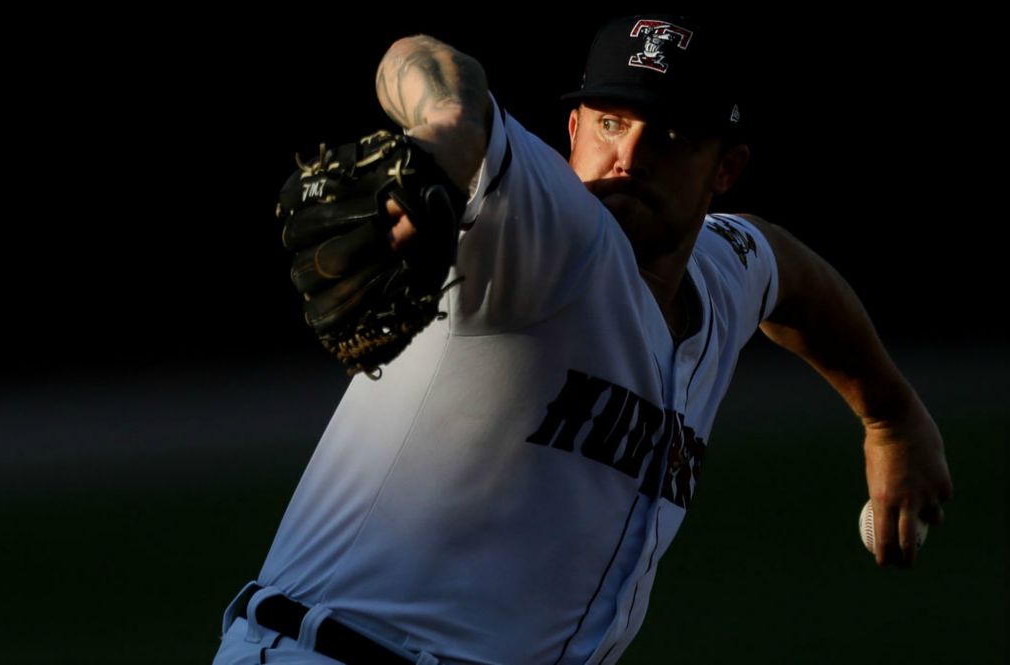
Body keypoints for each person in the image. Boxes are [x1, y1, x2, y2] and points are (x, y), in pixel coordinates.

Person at [214, 14, 952, 664]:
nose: (628, 155)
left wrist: (890, 414)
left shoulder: (720, 280)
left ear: (727, 168)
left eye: (669, 135)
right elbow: (421, 60)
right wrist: (445, 129)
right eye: (609, 122)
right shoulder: (550, 228)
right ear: (573, 131)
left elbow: (785, 271)